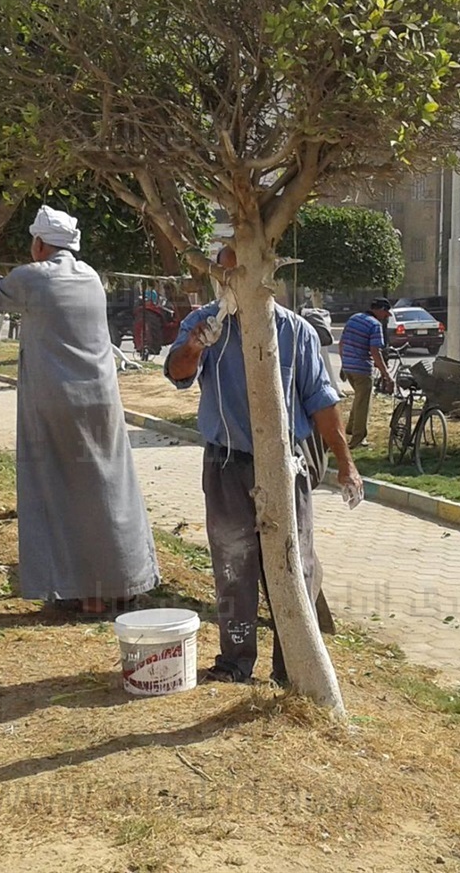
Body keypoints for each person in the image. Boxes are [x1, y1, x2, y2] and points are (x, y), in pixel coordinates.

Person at [165, 243, 361, 685]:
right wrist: (196, 346)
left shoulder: (295, 331)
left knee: (295, 564)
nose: (231, 285)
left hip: (285, 463)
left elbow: (322, 403)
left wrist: (346, 464)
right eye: (225, 277)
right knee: (234, 564)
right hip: (226, 462)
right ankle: (236, 662)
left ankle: (291, 666)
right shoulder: (206, 324)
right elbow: (177, 373)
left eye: (240, 275)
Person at [0, 206, 159, 615]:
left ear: (39, 244)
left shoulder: (32, 278)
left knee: (61, 492)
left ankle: (80, 592)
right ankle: (122, 584)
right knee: (109, 491)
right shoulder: (91, 278)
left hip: (57, 406)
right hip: (102, 403)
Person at [338, 298, 393, 448]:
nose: (387, 316)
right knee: (364, 403)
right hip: (362, 369)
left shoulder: (354, 318)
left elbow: (342, 343)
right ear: (379, 309)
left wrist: (344, 364)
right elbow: (375, 352)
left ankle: (351, 427)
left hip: (348, 367)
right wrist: (386, 375)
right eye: (386, 312)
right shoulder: (375, 325)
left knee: (359, 398)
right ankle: (358, 438)